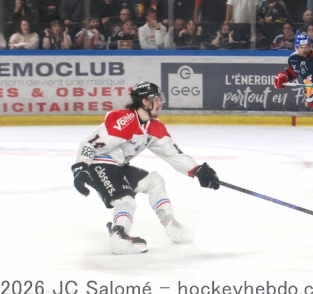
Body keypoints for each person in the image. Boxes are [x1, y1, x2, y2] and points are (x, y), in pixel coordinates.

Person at [70, 82, 220, 255]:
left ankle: (170, 223)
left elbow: (173, 154)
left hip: (118, 166)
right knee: (126, 200)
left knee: (155, 181)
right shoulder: (125, 120)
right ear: (145, 102)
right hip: (98, 163)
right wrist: (80, 168)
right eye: (156, 99)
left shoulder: (153, 126)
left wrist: (198, 170)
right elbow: (89, 142)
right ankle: (119, 235)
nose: (160, 103)